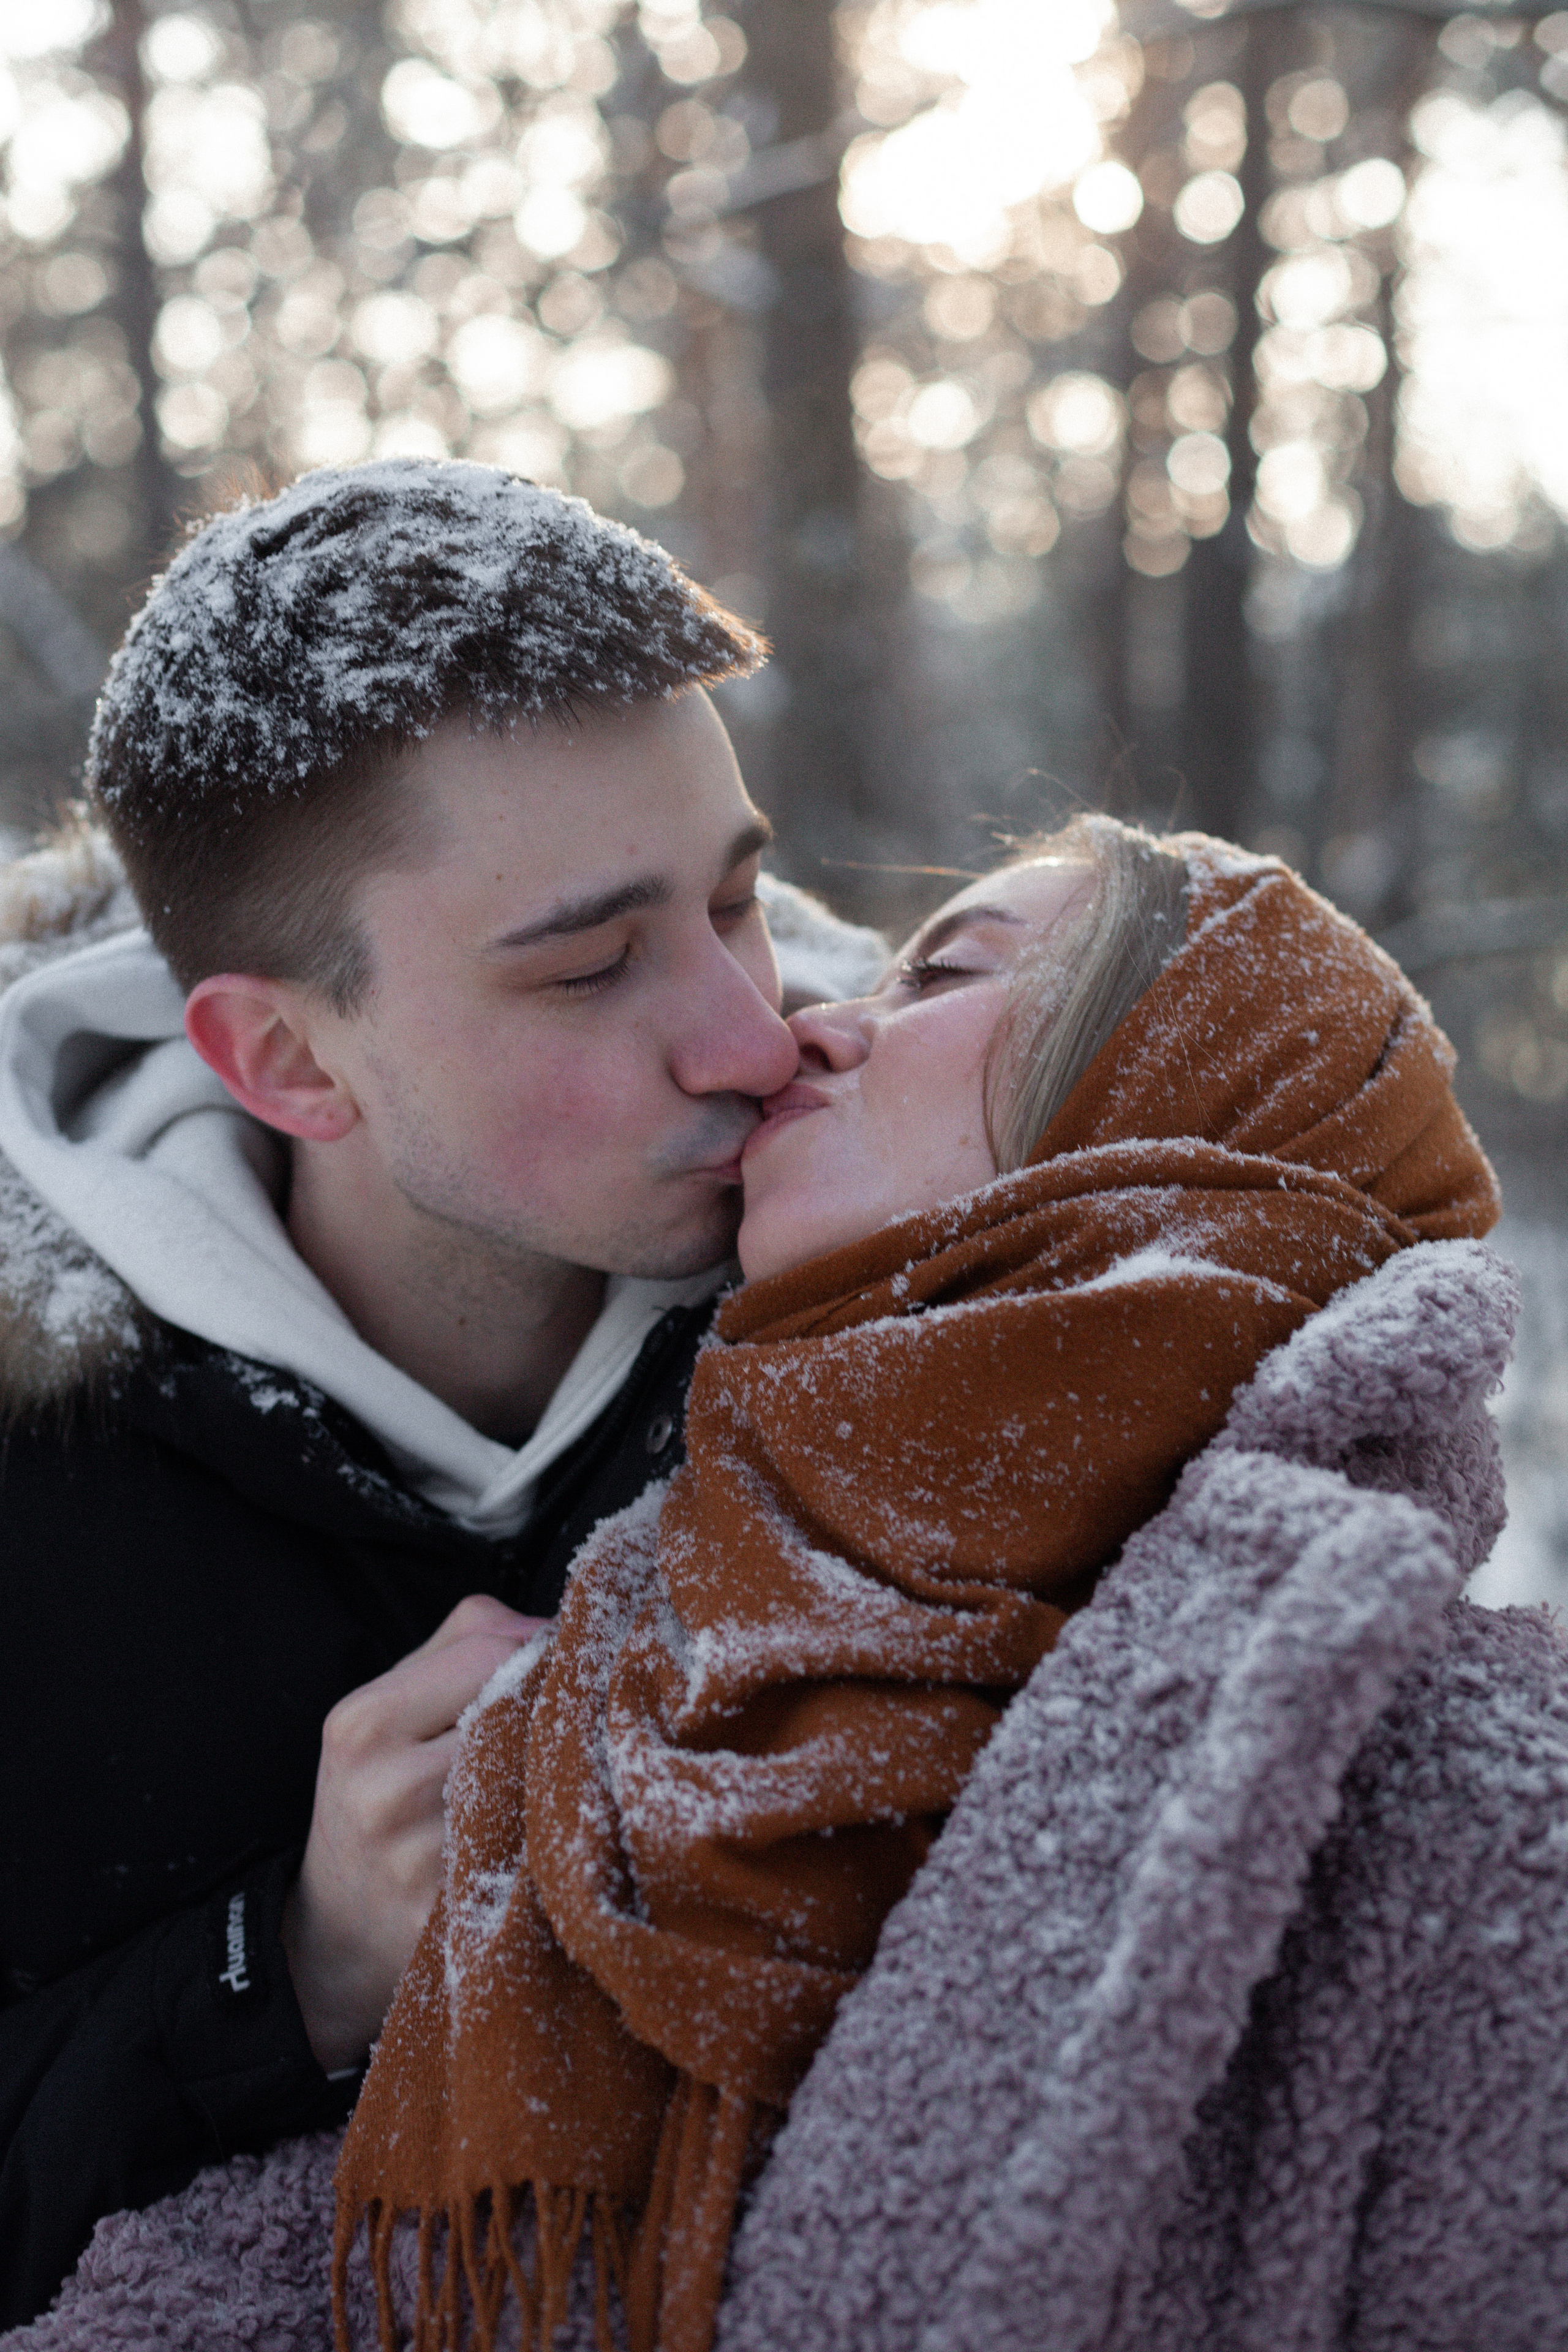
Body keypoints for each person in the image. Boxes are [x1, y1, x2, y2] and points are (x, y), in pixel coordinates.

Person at [331, 818, 1567, 2352]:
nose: (803, 1029)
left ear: (1166, 1096)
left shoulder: (1486, 1803)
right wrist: (287, 1970)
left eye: (945, 976)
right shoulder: (596, 1670)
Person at [0, 458, 885, 2326]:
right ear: (285, 1061)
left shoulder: (931, 1267)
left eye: (741, 897)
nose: (757, 1038)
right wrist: (291, 1965)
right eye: (589, 968)